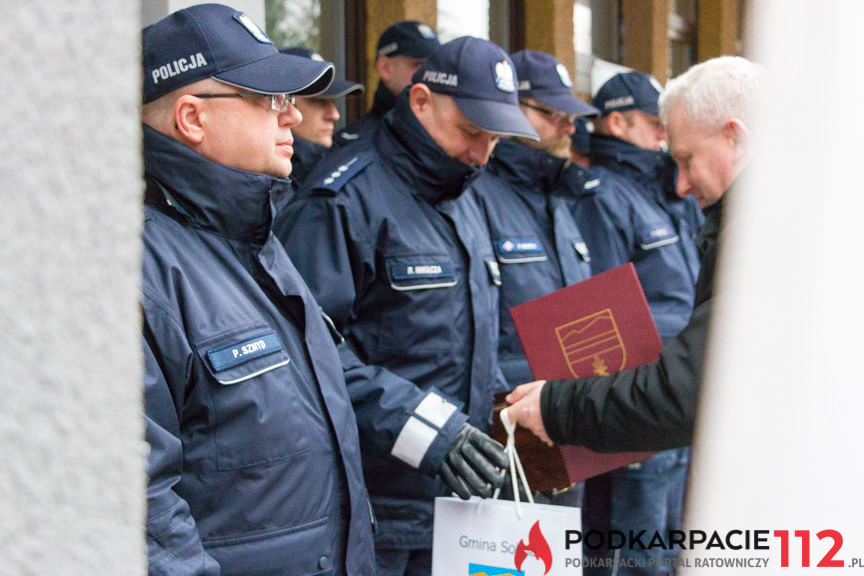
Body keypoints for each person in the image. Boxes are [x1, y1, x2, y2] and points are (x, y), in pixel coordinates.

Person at [274, 37, 537, 576]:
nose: (483, 154)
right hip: (378, 512)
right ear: (420, 102)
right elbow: (305, 355)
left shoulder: (466, 197)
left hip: (462, 501)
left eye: (496, 139)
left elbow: (460, 343)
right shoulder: (342, 202)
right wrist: (425, 430)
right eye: (471, 132)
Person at [140, 5, 376, 574]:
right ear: (193, 119)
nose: (292, 116)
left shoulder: (256, 241)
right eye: (270, 100)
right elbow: (139, 513)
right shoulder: (139, 269)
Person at [506, 55, 762, 459]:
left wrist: (558, 406)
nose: (680, 184)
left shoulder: (766, 234)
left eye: (686, 159)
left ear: (735, 137)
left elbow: (692, 388)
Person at [563, 70, 705, 575]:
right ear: (618, 122)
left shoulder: (666, 191)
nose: (664, 137)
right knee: (632, 556)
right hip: (635, 403)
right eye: (654, 123)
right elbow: (596, 319)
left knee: (666, 547)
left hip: (674, 396)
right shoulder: (600, 196)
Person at [334, 20, 439, 146]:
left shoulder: (453, 138)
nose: (430, 73)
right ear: (385, 68)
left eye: (435, 65)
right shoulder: (353, 143)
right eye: (419, 65)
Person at [277, 47, 364, 189]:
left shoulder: (341, 161)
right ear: (282, 103)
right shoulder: (268, 177)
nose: (335, 115)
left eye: (333, 101)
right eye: (319, 101)